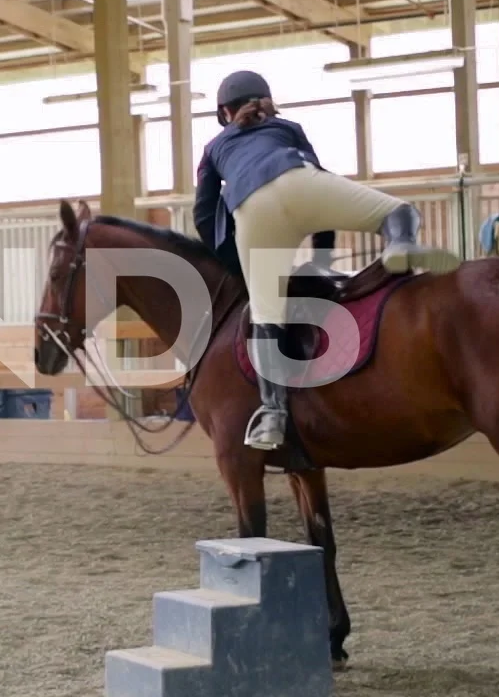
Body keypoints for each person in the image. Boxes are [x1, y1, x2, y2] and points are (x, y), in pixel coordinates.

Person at [193, 70, 460, 451]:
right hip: (299, 180)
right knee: (399, 212)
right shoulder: (288, 127)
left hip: (252, 211)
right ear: (266, 103)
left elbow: (203, 214)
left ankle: (273, 413)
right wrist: (320, 260)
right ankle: (399, 244)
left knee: (267, 314)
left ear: (224, 111)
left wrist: (239, 264)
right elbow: (315, 176)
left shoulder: (215, 146)